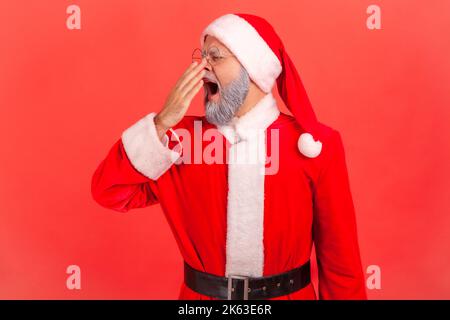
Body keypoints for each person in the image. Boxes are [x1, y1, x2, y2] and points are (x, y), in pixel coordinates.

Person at [91, 13, 367, 300]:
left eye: (216, 57)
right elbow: (109, 192)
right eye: (202, 56)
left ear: (253, 68)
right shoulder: (176, 140)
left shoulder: (314, 145)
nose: (202, 68)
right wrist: (160, 124)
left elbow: (341, 265)